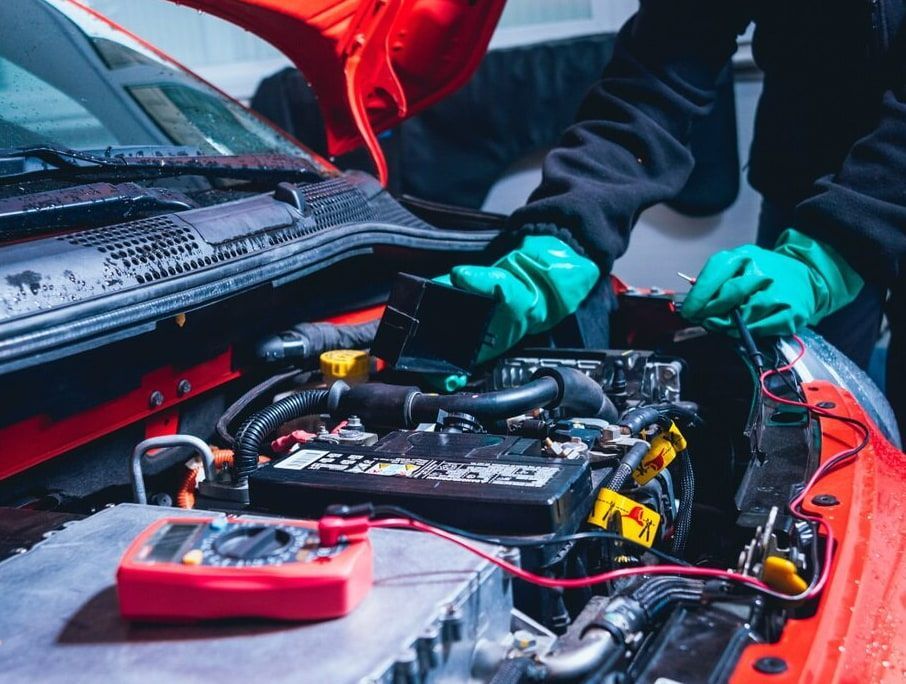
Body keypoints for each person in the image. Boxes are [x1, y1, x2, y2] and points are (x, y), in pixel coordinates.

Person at [438, 0, 905, 438]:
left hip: (861, 205)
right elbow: (655, 79)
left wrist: (833, 249)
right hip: (806, 185)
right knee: (810, 424)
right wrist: (566, 230)